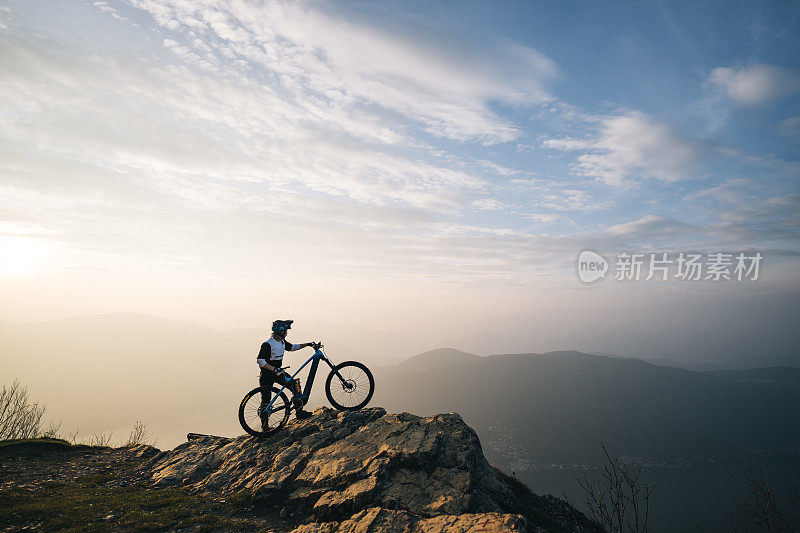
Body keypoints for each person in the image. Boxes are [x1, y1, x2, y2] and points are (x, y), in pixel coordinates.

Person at [257, 319, 316, 422]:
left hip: (278, 372)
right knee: (266, 401)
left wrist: (307, 344)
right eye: (286, 331)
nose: (287, 333)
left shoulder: (282, 342)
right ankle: (264, 427)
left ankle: (299, 412)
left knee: (295, 385)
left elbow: (292, 347)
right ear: (281, 331)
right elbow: (260, 361)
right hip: (267, 375)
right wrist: (274, 369)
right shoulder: (268, 344)